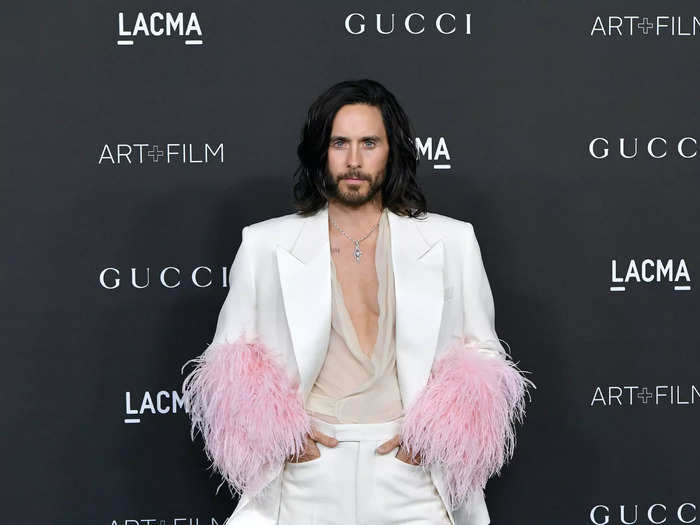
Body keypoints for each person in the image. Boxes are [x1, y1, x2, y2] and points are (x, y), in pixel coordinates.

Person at [181, 79, 535, 525]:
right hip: (305, 477)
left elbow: (482, 351)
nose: (353, 160)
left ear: (392, 151)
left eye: (369, 143)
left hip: (413, 477)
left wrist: (434, 437)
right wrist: (280, 436)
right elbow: (228, 360)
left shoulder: (451, 240)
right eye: (339, 143)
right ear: (320, 152)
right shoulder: (265, 244)